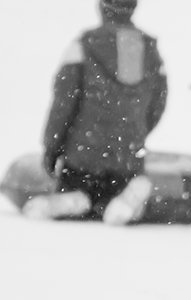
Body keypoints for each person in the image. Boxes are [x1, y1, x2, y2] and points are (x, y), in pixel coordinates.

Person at [23, 0, 167, 225]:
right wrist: (134, 133)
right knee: (113, 195)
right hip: (127, 161)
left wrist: (51, 147)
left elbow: (63, 105)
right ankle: (125, 201)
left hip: (82, 161)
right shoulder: (149, 51)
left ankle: (75, 201)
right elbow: (158, 104)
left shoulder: (82, 46)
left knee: (83, 195)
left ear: (102, 7)